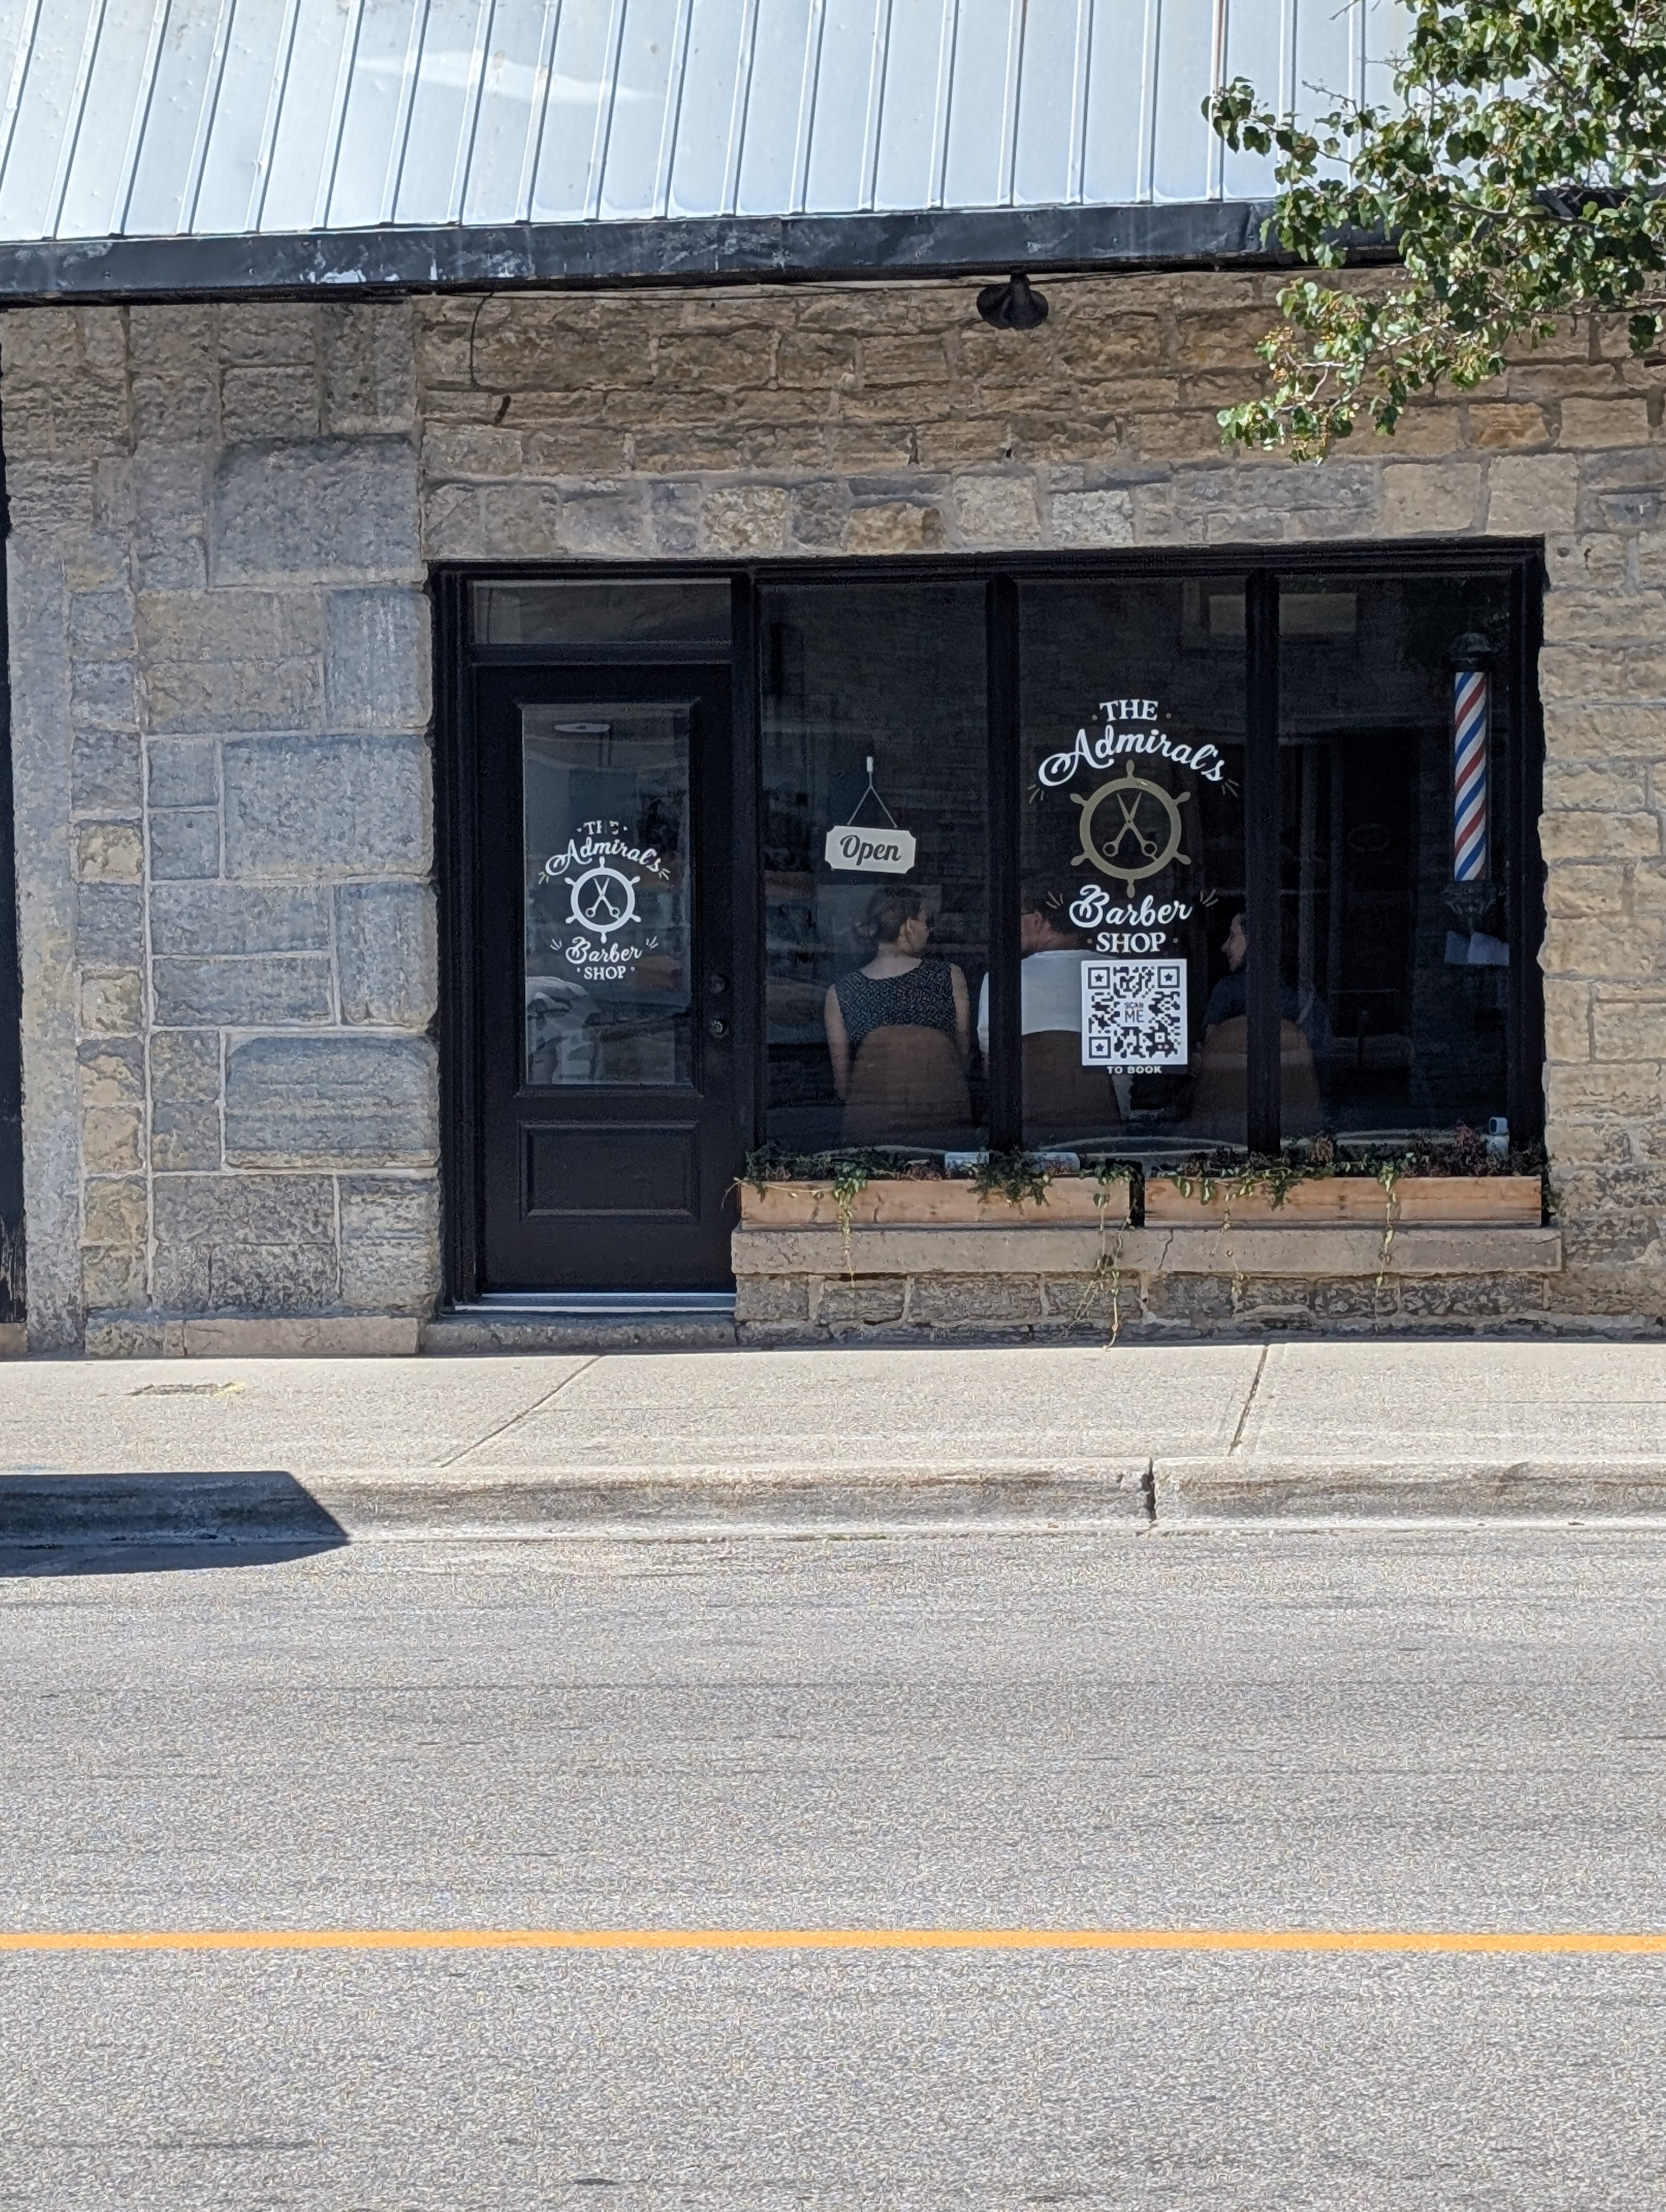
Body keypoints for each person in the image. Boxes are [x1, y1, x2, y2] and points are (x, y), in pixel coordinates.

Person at [824, 889, 971, 1101]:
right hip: (941, 1112)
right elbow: (963, 1064)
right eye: (927, 922)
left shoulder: (839, 993)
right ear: (909, 926)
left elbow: (843, 1088)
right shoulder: (949, 976)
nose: (930, 930)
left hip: (873, 1115)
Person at [974, 883, 1093, 1054]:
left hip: (1027, 1073)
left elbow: (991, 1053)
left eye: (1017, 915)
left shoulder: (1002, 979)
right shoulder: (1119, 970)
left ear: (1037, 920)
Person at [1203, 910, 1333, 1061]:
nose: (1225, 947)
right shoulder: (1310, 1003)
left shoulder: (1227, 991)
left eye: (1232, 935)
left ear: (1253, 939)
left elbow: (1211, 1054)